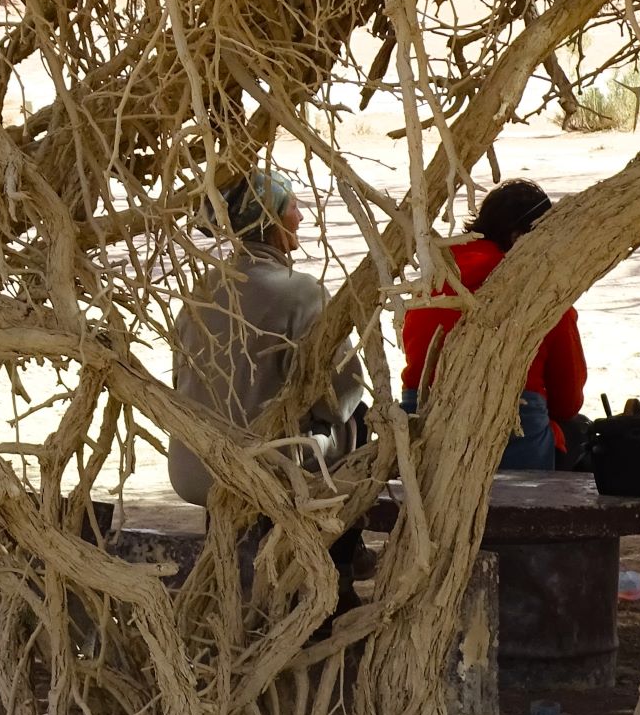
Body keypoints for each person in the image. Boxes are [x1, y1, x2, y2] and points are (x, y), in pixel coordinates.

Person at [168, 170, 371, 604]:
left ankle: (233, 566)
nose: (301, 216)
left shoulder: (199, 291)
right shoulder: (302, 293)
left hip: (195, 469)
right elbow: (340, 401)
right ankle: (337, 569)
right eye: (293, 207)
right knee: (361, 419)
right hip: (270, 470)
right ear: (272, 221)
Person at [399, 179, 586, 469]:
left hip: (421, 421)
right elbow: (567, 402)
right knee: (579, 433)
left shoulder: (434, 276)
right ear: (518, 238)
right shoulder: (539, 291)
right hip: (512, 431)